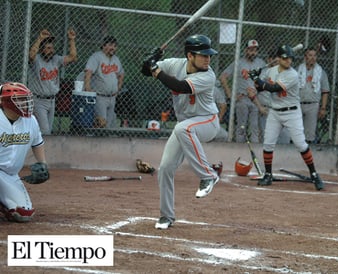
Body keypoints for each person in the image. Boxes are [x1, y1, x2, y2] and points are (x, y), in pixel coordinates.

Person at [141, 34, 220, 229]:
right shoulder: (175, 64)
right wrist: (150, 60)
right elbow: (145, 71)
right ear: (189, 56)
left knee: (182, 128)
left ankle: (208, 176)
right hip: (185, 126)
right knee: (165, 168)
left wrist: (156, 69)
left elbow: (180, 86)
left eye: (209, 55)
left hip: (207, 121)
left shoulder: (208, 75)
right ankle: (166, 216)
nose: (207, 59)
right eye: (203, 55)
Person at [247, 45, 324, 190]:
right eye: (284, 58)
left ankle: (314, 174)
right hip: (275, 112)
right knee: (268, 143)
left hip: (292, 113)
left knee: (301, 144)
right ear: (278, 59)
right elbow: (260, 87)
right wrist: (256, 79)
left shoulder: (293, 75)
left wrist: (257, 79)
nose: (288, 61)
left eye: (290, 58)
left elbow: (273, 88)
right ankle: (268, 175)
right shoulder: (270, 71)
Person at [0, 82, 48, 222]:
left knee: (23, 214)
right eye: (20, 99)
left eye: (25, 99)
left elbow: (37, 143)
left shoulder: (31, 121)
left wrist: (42, 163)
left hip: (10, 174)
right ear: (7, 102)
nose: (25, 103)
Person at [28, 28, 77, 135]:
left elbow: (73, 57)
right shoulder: (37, 60)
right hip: (38, 101)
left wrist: (72, 40)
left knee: (47, 130)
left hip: (52, 101)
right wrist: (40, 39)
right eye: (48, 48)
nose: (51, 50)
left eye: (52, 48)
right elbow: (31, 55)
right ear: (41, 50)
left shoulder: (56, 59)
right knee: (45, 131)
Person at [220, 40, 266, 143]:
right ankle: (239, 149)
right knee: (241, 126)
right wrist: (230, 95)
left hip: (255, 99)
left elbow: (265, 80)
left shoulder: (261, 63)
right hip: (242, 98)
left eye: (255, 50)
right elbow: (223, 77)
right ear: (246, 50)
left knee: (254, 126)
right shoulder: (238, 63)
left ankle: (254, 149)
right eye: (250, 50)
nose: (253, 52)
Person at [84, 35, 124, 128]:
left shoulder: (116, 59)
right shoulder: (96, 57)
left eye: (115, 46)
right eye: (110, 45)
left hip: (112, 97)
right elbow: (88, 71)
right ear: (103, 45)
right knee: (101, 124)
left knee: (109, 126)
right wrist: (88, 87)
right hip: (100, 97)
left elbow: (121, 74)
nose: (113, 48)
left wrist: (118, 88)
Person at [297, 47, 330, 143]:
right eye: (310, 55)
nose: (313, 58)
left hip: (313, 105)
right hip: (298, 104)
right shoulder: (298, 70)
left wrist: (323, 108)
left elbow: (325, 91)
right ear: (305, 57)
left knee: (309, 134)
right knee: (297, 131)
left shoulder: (321, 72)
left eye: (315, 55)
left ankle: (306, 154)